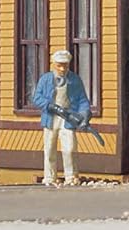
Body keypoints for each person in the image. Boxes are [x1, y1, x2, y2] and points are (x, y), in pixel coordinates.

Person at [29, 49, 92, 186]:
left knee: (70, 148)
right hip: (50, 117)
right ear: (53, 64)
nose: (62, 69)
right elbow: (37, 97)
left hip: (67, 117)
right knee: (49, 148)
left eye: (65, 65)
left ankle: (71, 176)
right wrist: (48, 105)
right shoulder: (45, 79)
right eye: (59, 65)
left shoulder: (75, 80)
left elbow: (82, 99)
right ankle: (49, 176)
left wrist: (85, 114)